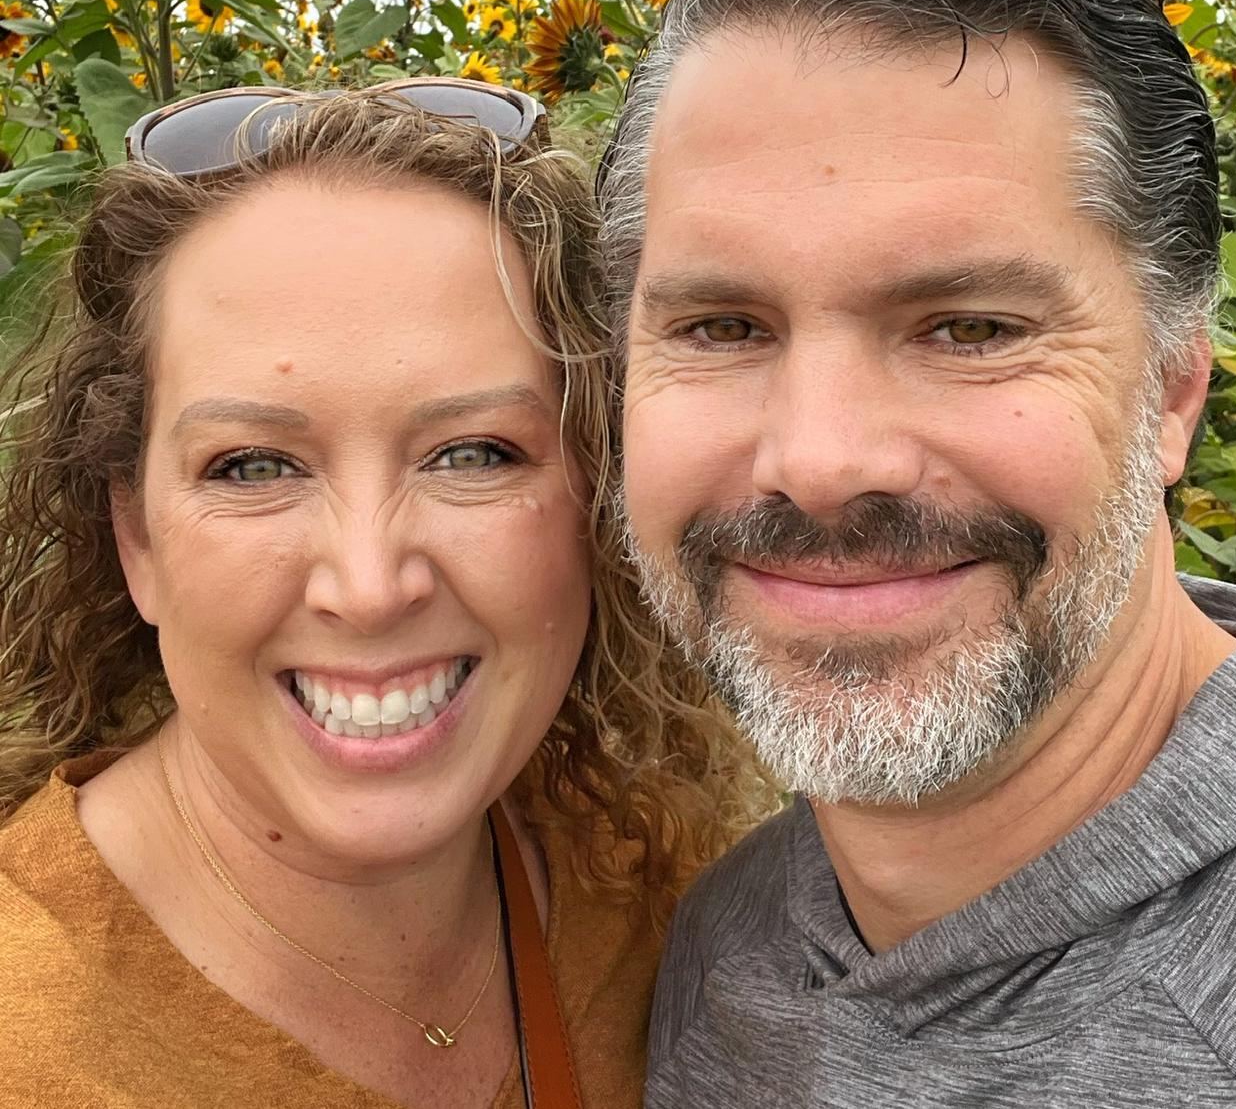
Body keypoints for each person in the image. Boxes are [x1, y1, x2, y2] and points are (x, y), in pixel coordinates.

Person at [596, 0, 1236, 1107]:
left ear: (1176, 387)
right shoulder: (719, 954)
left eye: (968, 328)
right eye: (719, 327)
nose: (817, 461)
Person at [0, 83, 759, 1108]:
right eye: (253, 467)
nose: (368, 587)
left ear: (600, 496)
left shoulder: (668, 917)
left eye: (473, 453)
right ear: (135, 536)